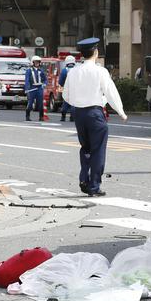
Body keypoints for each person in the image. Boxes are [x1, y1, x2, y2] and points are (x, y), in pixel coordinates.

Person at [62, 38, 128, 196]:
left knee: (85, 148)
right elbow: (111, 92)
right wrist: (121, 111)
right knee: (98, 150)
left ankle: (84, 178)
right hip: (95, 113)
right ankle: (94, 186)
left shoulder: (73, 71)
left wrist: (78, 103)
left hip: (79, 113)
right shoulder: (100, 71)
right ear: (96, 52)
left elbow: (65, 95)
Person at [24, 56, 47, 122]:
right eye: (36, 62)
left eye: (38, 62)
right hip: (32, 88)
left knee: (40, 103)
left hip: (39, 88)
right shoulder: (29, 71)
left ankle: (41, 116)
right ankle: (27, 116)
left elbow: (45, 79)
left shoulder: (41, 70)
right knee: (30, 103)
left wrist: (44, 84)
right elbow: (27, 80)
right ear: (33, 62)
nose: (37, 63)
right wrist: (27, 88)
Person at [57, 55, 77, 122]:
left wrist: (62, 87)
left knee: (65, 103)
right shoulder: (77, 69)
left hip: (66, 90)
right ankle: (72, 118)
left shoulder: (64, 71)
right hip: (75, 90)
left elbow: (61, 81)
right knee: (73, 104)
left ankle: (63, 117)